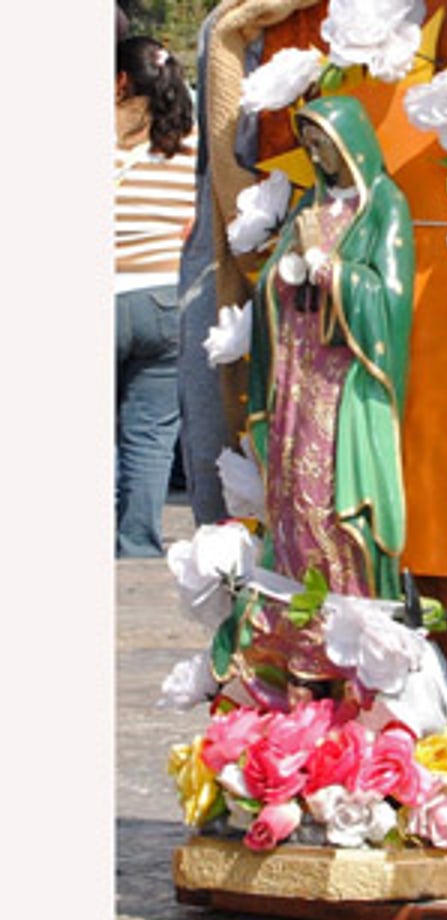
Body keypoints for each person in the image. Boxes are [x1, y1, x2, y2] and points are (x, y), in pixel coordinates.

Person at [247, 96, 415, 611]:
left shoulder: (384, 204)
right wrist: (286, 271)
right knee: (294, 493)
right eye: (311, 147)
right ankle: (298, 610)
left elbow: (389, 297)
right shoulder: (310, 206)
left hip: (346, 378)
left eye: (326, 145)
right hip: (298, 372)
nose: (318, 157)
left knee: (332, 496)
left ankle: (350, 605)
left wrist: (328, 270)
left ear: (352, 144)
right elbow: (272, 281)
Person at [114, 34, 195, 557]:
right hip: (166, 297)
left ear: (121, 81)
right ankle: (138, 545)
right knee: (151, 434)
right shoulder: (191, 143)